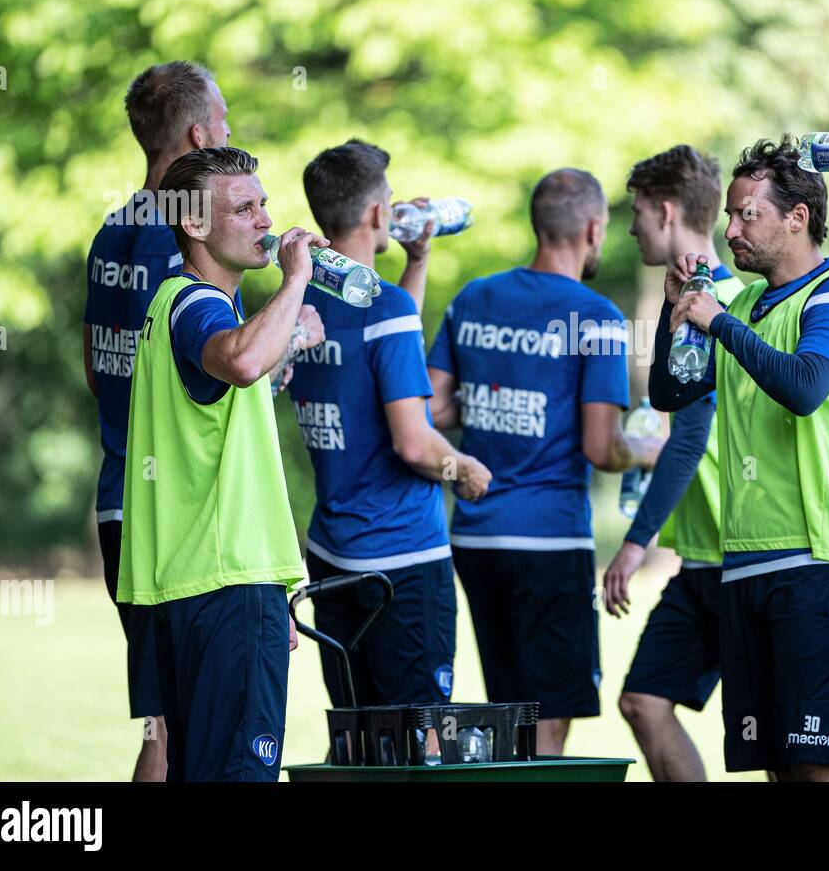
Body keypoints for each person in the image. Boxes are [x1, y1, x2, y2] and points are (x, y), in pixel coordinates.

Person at [650, 137, 829, 782]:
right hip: (746, 561)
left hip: (819, 563)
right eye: (729, 215)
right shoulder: (748, 306)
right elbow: (669, 392)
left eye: (746, 214)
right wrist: (677, 315)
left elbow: (805, 387)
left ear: (797, 217)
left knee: (816, 769)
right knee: (778, 768)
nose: (731, 230)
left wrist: (718, 323)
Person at [426, 168, 663, 756]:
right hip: (550, 542)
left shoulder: (473, 297)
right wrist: (651, 450)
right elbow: (602, 447)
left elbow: (429, 408)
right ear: (590, 228)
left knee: (507, 710)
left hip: (476, 539)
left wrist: (492, 398)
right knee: (549, 719)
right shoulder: (599, 318)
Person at [119, 146, 323, 781]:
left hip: (183, 585)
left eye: (263, 203)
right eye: (244, 208)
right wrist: (295, 284)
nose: (266, 220)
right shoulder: (197, 304)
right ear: (196, 227)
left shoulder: (174, 307)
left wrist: (284, 338)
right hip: (226, 581)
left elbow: (229, 395)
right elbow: (237, 361)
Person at [290, 139, 490, 715]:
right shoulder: (387, 310)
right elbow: (413, 443)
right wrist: (466, 469)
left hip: (332, 554)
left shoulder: (301, 300)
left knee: (357, 732)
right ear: (380, 214)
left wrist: (419, 262)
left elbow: (385, 338)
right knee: (416, 737)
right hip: (401, 560)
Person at [82, 60, 229, 781]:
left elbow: (94, 366)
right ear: (199, 134)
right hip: (169, 516)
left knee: (162, 721)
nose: (231, 133)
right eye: (224, 122)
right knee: (177, 733)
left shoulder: (112, 231)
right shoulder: (184, 239)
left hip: (115, 496)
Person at [602, 145, 744, 781]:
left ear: (665, 212)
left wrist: (634, 544)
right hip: (702, 563)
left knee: (776, 744)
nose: (630, 227)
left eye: (636, 213)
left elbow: (690, 437)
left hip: (749, 561)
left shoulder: (735, 307)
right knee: (642, 701)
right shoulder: (681, 301)